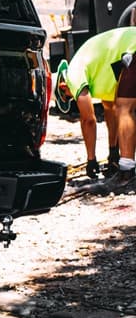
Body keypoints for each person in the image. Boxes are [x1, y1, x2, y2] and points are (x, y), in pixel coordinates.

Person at [55, 26, 136, 194]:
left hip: (133, 46)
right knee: (119, 107)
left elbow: (88, 120)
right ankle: (122, 163)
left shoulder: (73, 76)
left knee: (125, 109)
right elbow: (109, 109)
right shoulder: (96, 73)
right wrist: (113, 152)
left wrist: (91, 160)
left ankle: (126, 174)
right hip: (130, 44)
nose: (73, 98)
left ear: (63, 86)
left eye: (68, 97)